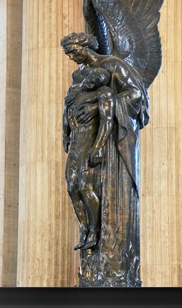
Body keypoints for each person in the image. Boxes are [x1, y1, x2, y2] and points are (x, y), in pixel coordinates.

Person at [61, 32, 149, 287]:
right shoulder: (78, 77)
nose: (71, 56)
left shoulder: (113, 66)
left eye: (73, 50)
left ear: (85, 45)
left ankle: (114, 265)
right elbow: (68, 109)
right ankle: (90, 230)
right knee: (74, 185)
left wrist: (102, 107)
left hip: (111, 145)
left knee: (92, 190)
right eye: (68, 53)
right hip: (82, 139)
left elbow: (136, 96)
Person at [63, 67, 115, 250]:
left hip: (88, 144)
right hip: (75, 145)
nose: (93, 81)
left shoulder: (103, 93)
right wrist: (65, 135)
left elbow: (107, 121)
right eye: (93, 77)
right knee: (72, 188)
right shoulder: (75, 93)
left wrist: (98, 147)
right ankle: (84, 228)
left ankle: (94, 230)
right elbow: (66, 113)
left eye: (98, 80)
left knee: (85, 187)